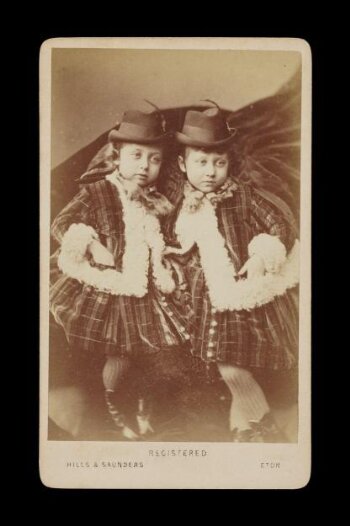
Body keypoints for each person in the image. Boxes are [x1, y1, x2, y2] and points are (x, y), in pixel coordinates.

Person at [49, 108, 191, 439]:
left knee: (159, 350)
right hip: (110, 285)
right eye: (137, 156)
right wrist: (93, 243)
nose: (145, 166)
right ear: (117, 157)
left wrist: (164, 261)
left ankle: (144, 404)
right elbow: (62, 224)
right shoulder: (97, 191)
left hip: (146, 286)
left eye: (154, 159)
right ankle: (114, 404)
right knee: (121, 353)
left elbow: (158, 237)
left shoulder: (156, 201)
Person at [164, 105, 299, 442]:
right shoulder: (175, 203)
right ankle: (245, 432)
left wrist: (260, 255)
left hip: (240, 296)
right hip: (200, 302)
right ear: (183, 164)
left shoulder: (243, 197)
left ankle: (265, 429)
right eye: (201, 162)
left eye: (219, 163)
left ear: (229, 163)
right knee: (226, 370)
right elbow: (168, 240)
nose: (210, 172)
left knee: (232, 367)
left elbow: (279, 224)